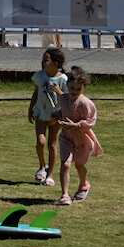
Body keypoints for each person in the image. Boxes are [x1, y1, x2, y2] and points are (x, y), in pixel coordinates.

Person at [54, 67, 102, 206]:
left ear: (83, 88)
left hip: (82, 140)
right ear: (67, 86)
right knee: (65, 164)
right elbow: (63, 108)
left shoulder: (86, 103)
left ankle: (84, 184)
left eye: (77, 89)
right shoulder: (64, 98)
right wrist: (56, 115)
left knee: (80, 164)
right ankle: (65, 195)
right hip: (66, 138)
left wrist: (76, 125)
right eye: (71, 88)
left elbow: (91, 121)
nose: (74, 92)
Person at [29, 48, 67, 187]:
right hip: (40, 113)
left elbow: (66, 99)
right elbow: (35, 93)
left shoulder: (62, 79)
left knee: (52, 144)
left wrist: (58, 91)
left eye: (47, 59)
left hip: (56, 115)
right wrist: (30, 109)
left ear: (56, 62)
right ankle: (42, 166)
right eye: (43, 59)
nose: (44, 62)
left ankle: (50, 174)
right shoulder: (40, 76)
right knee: (41, 142)